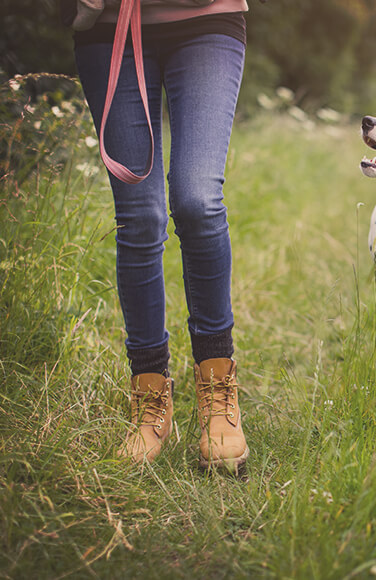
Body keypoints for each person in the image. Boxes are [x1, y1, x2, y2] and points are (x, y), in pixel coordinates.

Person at [64, 0, 250, 473]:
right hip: (109, 28)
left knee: (197, 199)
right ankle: (149, 396)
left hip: (208, 20)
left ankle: (216, 388)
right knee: (139, 215)